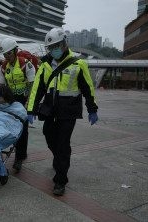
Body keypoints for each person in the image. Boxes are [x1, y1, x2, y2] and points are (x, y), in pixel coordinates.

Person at [27, 28, 99, 196]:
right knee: (48, 135)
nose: (55, 50)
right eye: (51, 47)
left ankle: (60, 180)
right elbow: (38, 88)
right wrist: (31, 108)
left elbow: (88, 89)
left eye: (57, 45)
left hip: (69, 112)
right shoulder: (45, 65)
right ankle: (58, 157)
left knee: (63, 143)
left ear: (65, 43)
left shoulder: (78, 64)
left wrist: (92, 109)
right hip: (50, 110)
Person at [0, 38, 36, 171]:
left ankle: (19, 157)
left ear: (15, 51)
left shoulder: (26, 65)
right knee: (10, 127)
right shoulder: (3, 67)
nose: (7, 57)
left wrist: (28, 103)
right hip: (11, 100)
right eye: (4, 54)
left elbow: (33, 85)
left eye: (9, 53)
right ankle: (20, 151)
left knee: (22, 129)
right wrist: (0, 102)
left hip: (24, 100)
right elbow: (1, 86)